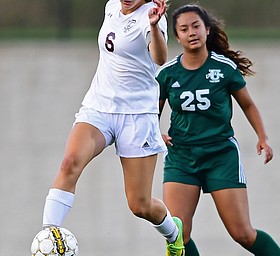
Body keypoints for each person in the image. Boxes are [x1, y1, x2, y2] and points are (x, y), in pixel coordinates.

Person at [40, 0, 185, 255]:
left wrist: (153, 26)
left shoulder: (150, 16)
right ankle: (49, 237)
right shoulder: (111, 7)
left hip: (137, 115)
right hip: (99, 107)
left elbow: (160, 58)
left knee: (139, 205)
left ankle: (173, 235)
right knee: (69, 163)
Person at [156, 4, 280, 256]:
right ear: (177, 36)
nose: (191, 32)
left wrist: (263, 137)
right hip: (181, 157)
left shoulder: (223, 68)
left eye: (196, 26)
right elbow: (151, 113)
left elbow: (247, 104)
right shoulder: (168, 73)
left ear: (207, 29)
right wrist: (154, 133)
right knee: (177, 235)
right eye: (184, 29)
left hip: (220, 155)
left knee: (242, 234)